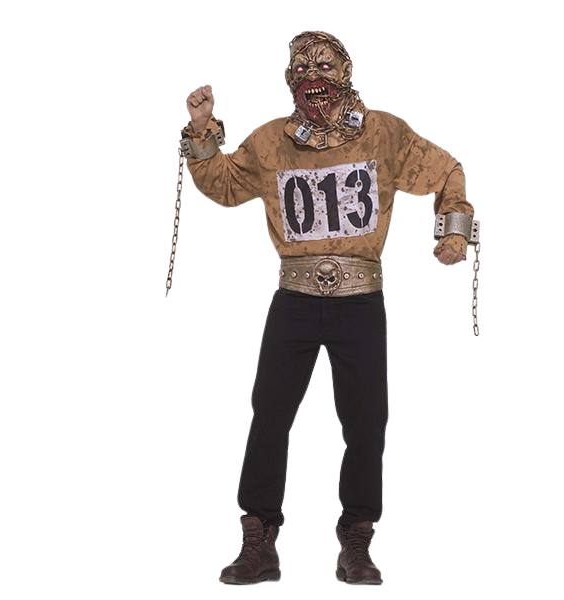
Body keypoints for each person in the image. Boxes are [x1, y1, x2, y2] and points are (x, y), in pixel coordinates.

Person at [181, 30, 473, 585]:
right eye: (301, 68)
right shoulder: (271, 142)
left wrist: (453, 230)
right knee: (270, 414)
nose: (311, 76)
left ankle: (356, 542)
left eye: (323, 67)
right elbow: (224, 184)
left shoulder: (384, 134)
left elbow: (447, 171)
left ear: (345, 73)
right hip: (293, 298)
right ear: (289, 80)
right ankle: (259, 541)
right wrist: (201, 130)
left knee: (366, 422)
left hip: (360, 301)